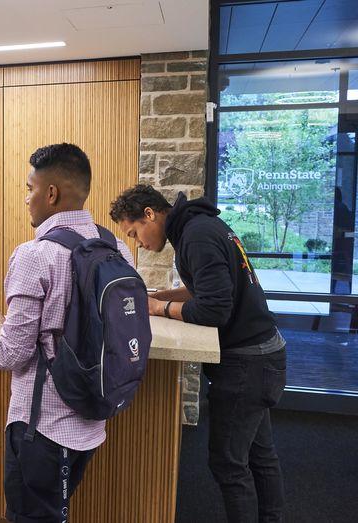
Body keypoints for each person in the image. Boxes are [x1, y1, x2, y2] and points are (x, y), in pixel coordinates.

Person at [109, 184, 286, 523]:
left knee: (229, 463)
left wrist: (159, 308)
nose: (139, 243)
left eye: (134, 233)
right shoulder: (199, 226)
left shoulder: (196, 236)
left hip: (247, 363)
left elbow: (215, 309)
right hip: (262, 354)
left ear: (150, 214)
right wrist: (158, 296)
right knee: (260, 455)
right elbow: (203, 290)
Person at [0, 143, 135, 522]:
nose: (27, 199)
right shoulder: (117, 249)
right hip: (94, 418)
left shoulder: (35, 255)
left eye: (30, 188)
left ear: (51, 194)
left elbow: (9, 354)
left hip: (42, 426)